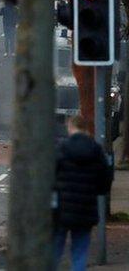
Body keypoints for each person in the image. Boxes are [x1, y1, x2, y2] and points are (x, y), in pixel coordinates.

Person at [53, 115, 114, 271]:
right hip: (85, 208)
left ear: (70, 127)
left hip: (62, 208)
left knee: (55, 249)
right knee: (80, 252)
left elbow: (50, 176)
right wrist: (95, 191)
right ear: (86, 128)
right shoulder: (96, 150)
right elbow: (105, 180)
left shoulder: (62, 148)